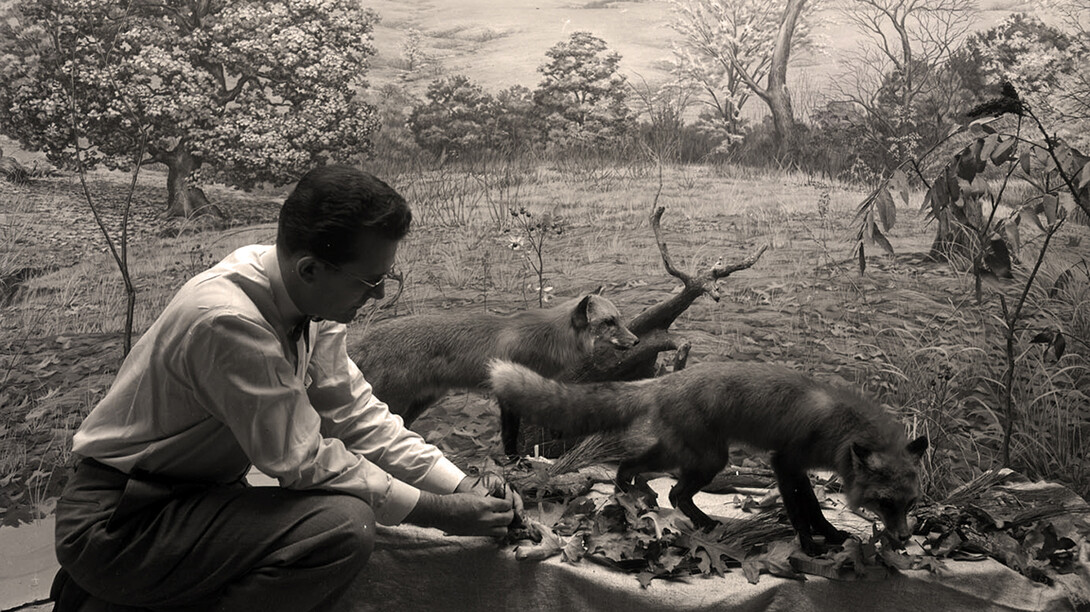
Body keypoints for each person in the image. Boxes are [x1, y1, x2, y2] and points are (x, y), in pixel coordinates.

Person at [51, 165, 521, 611]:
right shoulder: (228, 322)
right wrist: (443, 512)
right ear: (310, 268)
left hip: (192, 498)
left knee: (341, 512)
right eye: (370, 280)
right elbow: (303, 462)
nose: (378, 293)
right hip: (120, 520)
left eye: (385, 277)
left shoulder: (311, 300)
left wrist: (462, 484)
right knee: (341, 527)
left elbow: (358, 416)